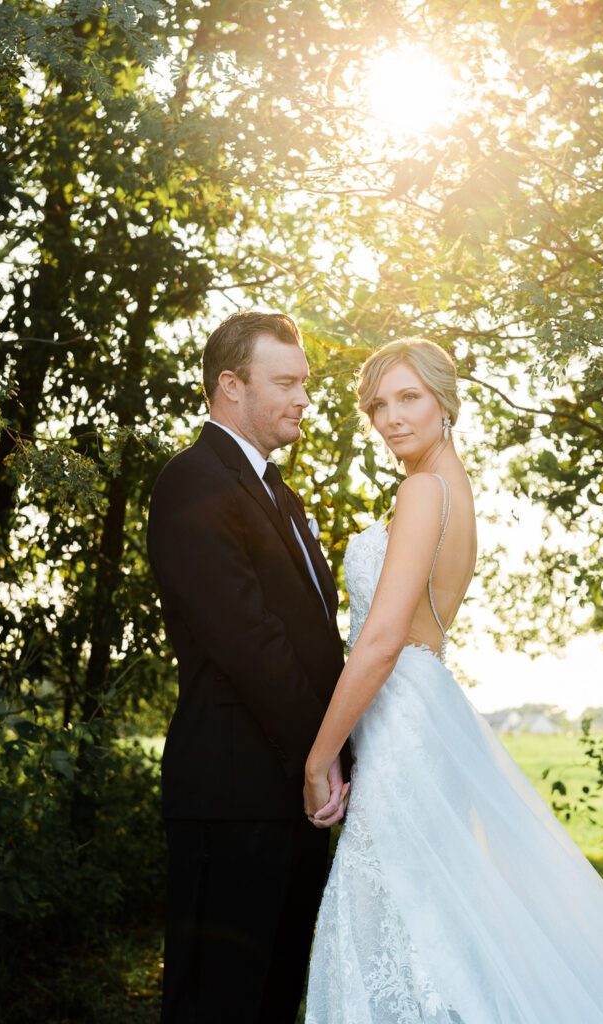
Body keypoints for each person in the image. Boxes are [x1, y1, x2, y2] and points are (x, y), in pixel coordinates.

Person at [303, 337, 603, 1023]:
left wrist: (319, 759)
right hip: (421, 712)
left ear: (445, 400)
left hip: (401, 722)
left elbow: (379, 641)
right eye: (377, 405)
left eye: (408, 397)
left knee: (392, 918)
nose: (389, 418)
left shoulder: (420, 490)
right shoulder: (453, 489)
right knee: (428, 921)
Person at [146, 310, 350, 1024]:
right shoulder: (193, 481)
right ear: (230, 386)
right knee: (215, 1004)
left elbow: (315, 640)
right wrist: (321, 757)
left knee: (270, 1003)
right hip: (230, 797)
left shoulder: (278, 494)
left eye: (304, 383)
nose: (302, 398)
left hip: (291, 797)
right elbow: (249, 643)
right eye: (286, 382)